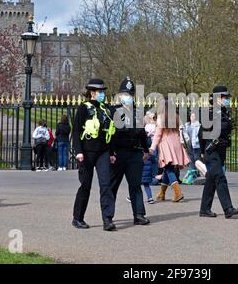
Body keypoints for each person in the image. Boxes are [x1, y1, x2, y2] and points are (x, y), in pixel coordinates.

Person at [72, 78, 117, 231]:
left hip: (103, 152)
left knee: (106, 185)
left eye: (103, 92)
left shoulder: (107, 109)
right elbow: (76, 130)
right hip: (86, 152)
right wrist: (78, 151)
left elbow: (110, 132)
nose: (102, 94)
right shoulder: (84, 108)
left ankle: (107, 219)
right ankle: (78, 218)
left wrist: (111, 152)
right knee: (86, 185)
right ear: (92, 93)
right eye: (100, 92)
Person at [109, 77, 150, 226]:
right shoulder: (113, 110)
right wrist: (110, 152)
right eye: (125, 94)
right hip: (118, 153)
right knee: (113, 185)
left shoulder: (138, 112)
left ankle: (138, 214)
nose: (128, 97)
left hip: (134, 152)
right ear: (120, 95)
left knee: (135, 184)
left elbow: (142, 133)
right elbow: (110, 134)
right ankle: (108, 216)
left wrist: (146, 150)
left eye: (130, 94)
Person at [198, 85, 238, 218]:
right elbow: (201, 134)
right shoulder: (210, 113)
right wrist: (202, 151)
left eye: (226, 97)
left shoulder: (224, 112)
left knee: (211, 179)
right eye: (223, 97)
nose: (226, 99)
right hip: (212, 150)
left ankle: (204, 209)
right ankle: (228, 208)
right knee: (220, 177)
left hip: (220, 150)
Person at [149, 100, 189, 202]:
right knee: (167, 169)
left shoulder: (161, 118)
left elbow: (157, 135)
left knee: (168, 169)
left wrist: (152, 148)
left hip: (167, 145)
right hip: (176, 144)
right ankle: (161, 194)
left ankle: (178, 193)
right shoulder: (176, 116)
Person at [180, 112, 201, 184]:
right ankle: (193, 173)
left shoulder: (198, 125)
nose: (193, 118)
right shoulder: (187, 125)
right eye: (192, 116)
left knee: (197, 159)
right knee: (191, 159)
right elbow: (184, 133)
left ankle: (197, 173)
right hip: (189, 144)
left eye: (194, 116)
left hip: (196, 145)